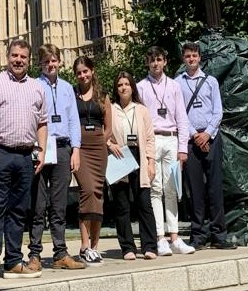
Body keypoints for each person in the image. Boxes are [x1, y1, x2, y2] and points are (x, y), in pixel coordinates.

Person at [0, 39, 48, 284]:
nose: (18, 60)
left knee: (18, 211)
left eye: (23, 57)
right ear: (8, 57)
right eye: (14, 55)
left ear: (29, 60)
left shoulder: (37, 87)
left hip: (26, 156)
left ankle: (14, 260)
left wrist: (42, 151)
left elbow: (42, 123)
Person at [27, 44, 85, 270]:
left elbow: (73, 121)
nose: (50, 65)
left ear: (59, 61)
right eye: (46, 61)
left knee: (59, 205)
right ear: (40, 64)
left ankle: (60, 253)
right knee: (38, 204)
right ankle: (34, 254)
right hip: (40, 148)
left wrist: (76, 150)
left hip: (62, 148)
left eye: (54, 61)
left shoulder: (68, 88)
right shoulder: (33, 86)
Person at [175, 42, 237, 250]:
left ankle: (219, 235)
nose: (191, 59)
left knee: (215, 188)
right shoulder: (178, 83)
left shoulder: (210, 82)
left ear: (200, 58)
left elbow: (218, 111)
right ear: (183, 59)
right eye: (187, 56)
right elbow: (180, 113)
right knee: (195, 190)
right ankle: (198, 235)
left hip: (211, 138)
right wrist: (195, 135)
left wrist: (207, 134)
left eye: (194, 55)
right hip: (191, 141)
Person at [137, 46, 195, 256]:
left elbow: (182, 117)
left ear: (165, 62)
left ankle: (175, 236)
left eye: (159, 60)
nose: (156, 64)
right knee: (155, 189)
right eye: (152, 60)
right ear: (148, 63)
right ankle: (160, 238)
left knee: (172, 189)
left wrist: (182, 148)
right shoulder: (141, 87)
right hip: (152, 140)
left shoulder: (174, 86)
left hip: (171, 139)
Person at [108, 71, 157, 260]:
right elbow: (103, 134)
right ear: (116, 88)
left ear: (132, 87)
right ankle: (127, 247)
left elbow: (150, 138)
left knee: (144, 203)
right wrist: (109, 145)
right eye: (120, 85)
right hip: (120, 156)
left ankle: (149, 246)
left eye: (126, 84)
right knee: (121, 205)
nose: (123, 88)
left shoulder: (141, 110)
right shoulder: (111, 109)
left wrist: (151, 161)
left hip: (139, 155)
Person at [73, 56, 112, 266]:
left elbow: (109, 128)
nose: (83, 75)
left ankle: (95, 248)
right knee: (86, 191)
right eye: (79, 72)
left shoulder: (102, 96)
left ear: (92, 71)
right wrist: (75, 147)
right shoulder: (71, 94)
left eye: (85, 71)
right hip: (80, 149)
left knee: (98, 194)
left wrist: (101, 142)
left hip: (98, 149)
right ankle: (84, 244)